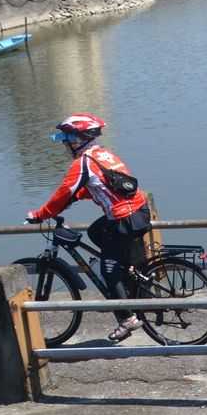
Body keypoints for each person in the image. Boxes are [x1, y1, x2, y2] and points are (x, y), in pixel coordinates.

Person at [25, 113, 153, 341]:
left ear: (78, 139)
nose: (65, 144)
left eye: (67, 139)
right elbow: (103, 185)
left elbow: (63, 193)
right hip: (138, 212)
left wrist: (41, 214)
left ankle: (127, 319)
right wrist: (77, 197)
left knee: (108, 269)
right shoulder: (102, 154)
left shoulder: (82, 162)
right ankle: (126, 276)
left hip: (124, 219)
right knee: (95, 231)